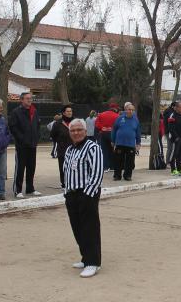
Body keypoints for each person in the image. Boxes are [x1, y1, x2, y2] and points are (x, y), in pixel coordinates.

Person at [63, 118, 104, 278]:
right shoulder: (69, 150)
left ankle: (93, 262)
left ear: (86, 131)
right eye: (73, 130)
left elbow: (97, 173)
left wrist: (88, 195)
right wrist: (66, 191)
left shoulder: (93, 148)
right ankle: (85, 257)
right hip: (71, 194)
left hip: (87, 194)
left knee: (89, 228)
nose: (76, 133)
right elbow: (66, 171)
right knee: (77, 228)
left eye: (79, 130)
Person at [9, 92, 41, 198]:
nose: (29, 100)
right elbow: (13, 127)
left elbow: (37, 125)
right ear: (21, 100)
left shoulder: (34, 111)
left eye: (30, 98)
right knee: (20, 168)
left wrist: (36, 137)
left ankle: (30, 188)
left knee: (31, 167)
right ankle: (17, 190)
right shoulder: (16, 112)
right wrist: (21, 138)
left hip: (32, 144)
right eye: (27, 98)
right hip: (22, 146)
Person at [110, 103, 141, 181]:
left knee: (130, 161)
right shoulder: (120, 118)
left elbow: (138, 132)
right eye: (129, 109)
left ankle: (127, 176)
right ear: (125, 110)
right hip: (120, 143)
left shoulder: (136, 120)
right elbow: (114, 129)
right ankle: (117, 176)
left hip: (130, 144)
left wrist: (138, 143)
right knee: (118, 161)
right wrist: (113, 140)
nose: (130, 111)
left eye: (132, 110)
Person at [50, 105, 73, 189]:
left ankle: (72, 182)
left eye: (71, 111)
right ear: (63, 113)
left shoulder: (75, 122)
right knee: (63, 167)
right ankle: (64, 184)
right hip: (62, 149)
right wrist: (61, 141)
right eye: (68, 111)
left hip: (74, 149)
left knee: (73, 167)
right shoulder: (58, 124)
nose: (70, 113)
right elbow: (53, 135)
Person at [95, 101, 120, 173]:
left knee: (104, 150)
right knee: (113, 150)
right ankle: (112, 166)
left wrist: (102, 128)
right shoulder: (117, 116)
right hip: (113, 134)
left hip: (103, 133)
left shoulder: (101, 114)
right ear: (115, 108)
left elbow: (97, 124)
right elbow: (119, 126)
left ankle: (105, 167)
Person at [167, 101, 181, 175]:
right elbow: (171, 128)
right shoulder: (172, 116)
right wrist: (176, 137)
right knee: (174, 154)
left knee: (180, 154)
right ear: (176, 108)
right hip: (175, 139)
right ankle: (173, 170)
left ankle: (179, 169)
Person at [163, 102, 177, 169]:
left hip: (168, 131)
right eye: (176, 107)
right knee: (170, 148)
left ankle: (169, 162)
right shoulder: (170, 113)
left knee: (171, 148)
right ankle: (168, 162)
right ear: (173, 106)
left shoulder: (169, 111)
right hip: (169, 132)